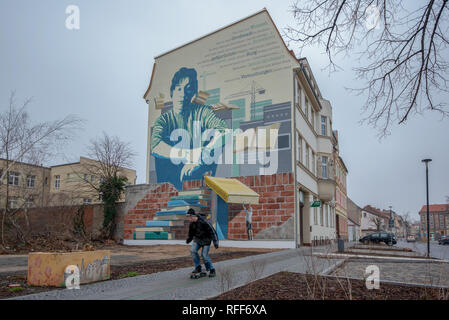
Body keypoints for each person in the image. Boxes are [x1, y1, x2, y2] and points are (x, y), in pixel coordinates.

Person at [150, 67, 229, 190]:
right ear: (172, 92)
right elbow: (155, 146)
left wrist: (202, 155)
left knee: (215, 139)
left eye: (188, 89)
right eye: (179, 89)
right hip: (172, 178)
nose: (182, 94)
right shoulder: (164, 120)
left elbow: (225, 131)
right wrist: (189, 155)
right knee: (164, 146)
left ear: (193, 93)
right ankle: (168, 195)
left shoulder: (202, 112)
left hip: (199, 174)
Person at [186, 208, 219, 277]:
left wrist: (215, 241)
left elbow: (212, 231)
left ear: (192, 216)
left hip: (206, 240)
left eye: (188, 217)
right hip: (197, 240)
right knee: (193, 251)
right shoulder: (192, 224)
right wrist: (189, 239)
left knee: (204, 256)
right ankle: (198, 267)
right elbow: (191, 233)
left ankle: (211, 269)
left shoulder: (204, 221)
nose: (188, 219)